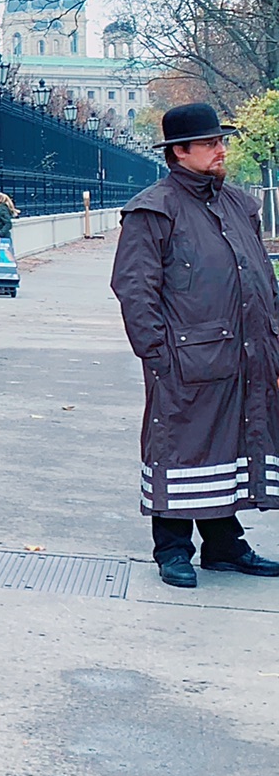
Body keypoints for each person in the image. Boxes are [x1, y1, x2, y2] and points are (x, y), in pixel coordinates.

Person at [110, 103, 279, 588]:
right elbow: (135, 288)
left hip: (245, 352)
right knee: (180, 447)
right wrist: (158, 355)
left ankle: (225, 546)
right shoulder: (154, 209)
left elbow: (261, 274)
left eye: (220, 141)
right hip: (184, 357)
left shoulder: (239, 204)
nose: (221, 149)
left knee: (231, 446)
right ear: (179, 152)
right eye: (209, 144)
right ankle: (172, 549)